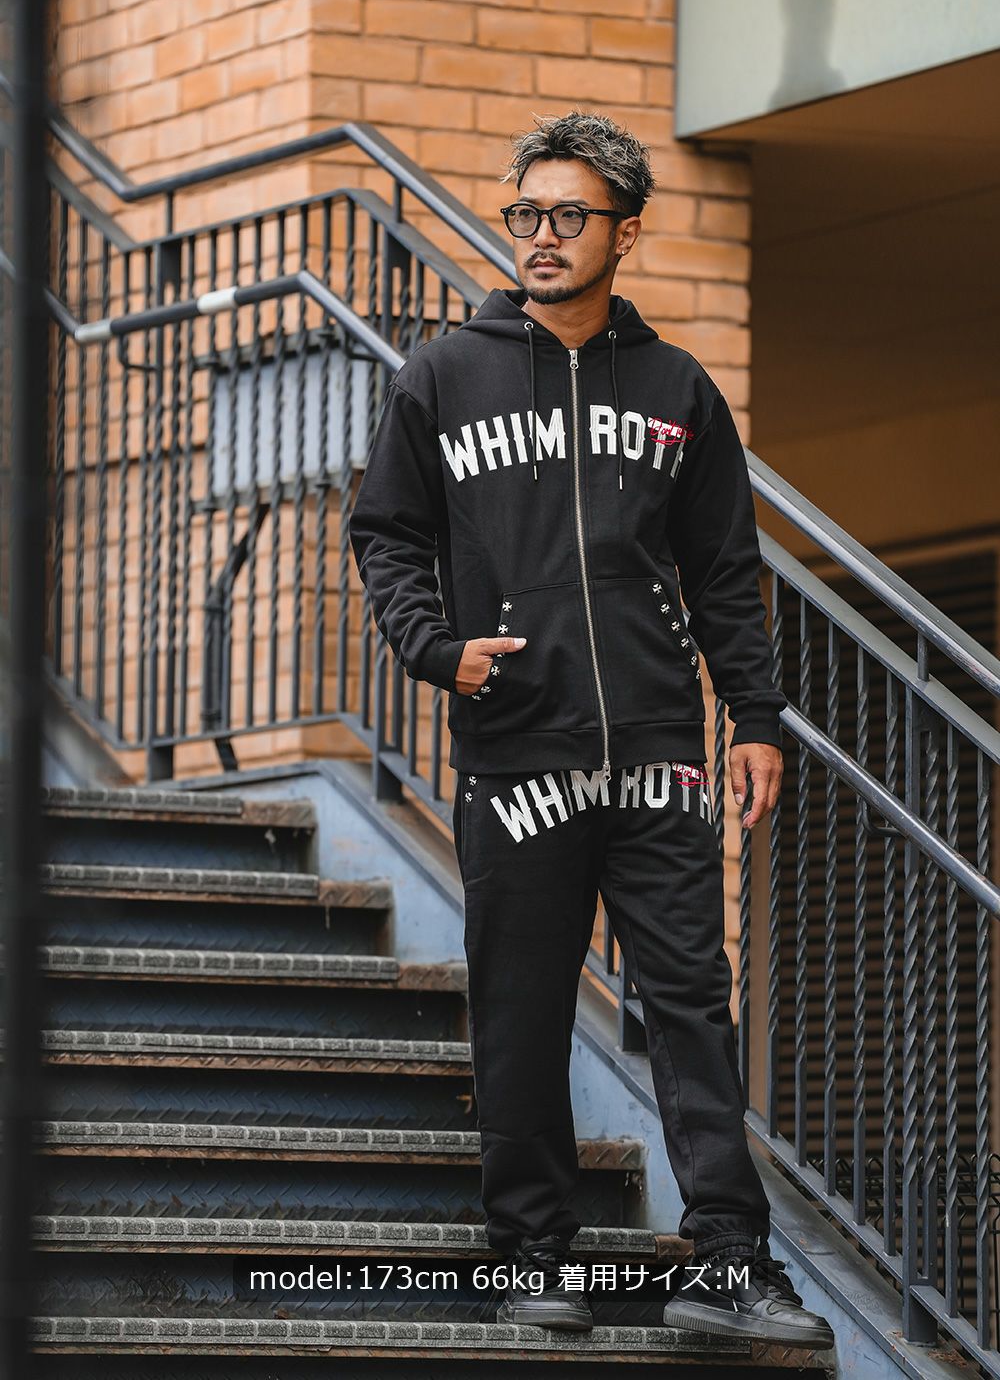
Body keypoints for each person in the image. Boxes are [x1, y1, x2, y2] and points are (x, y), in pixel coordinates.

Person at [349, 110, 834, 1351]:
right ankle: (532, 1250)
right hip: (518, 745)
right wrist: (436, 646)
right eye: (526, 214)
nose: (542, 236)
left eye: (570, 216)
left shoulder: (677, 390)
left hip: (662, 747)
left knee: (691, 1003)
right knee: (519, 1005)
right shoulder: (442, 378)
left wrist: (755, 716)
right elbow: (386, 533)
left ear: (625, 231)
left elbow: (723, 572)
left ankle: (730, 1259)